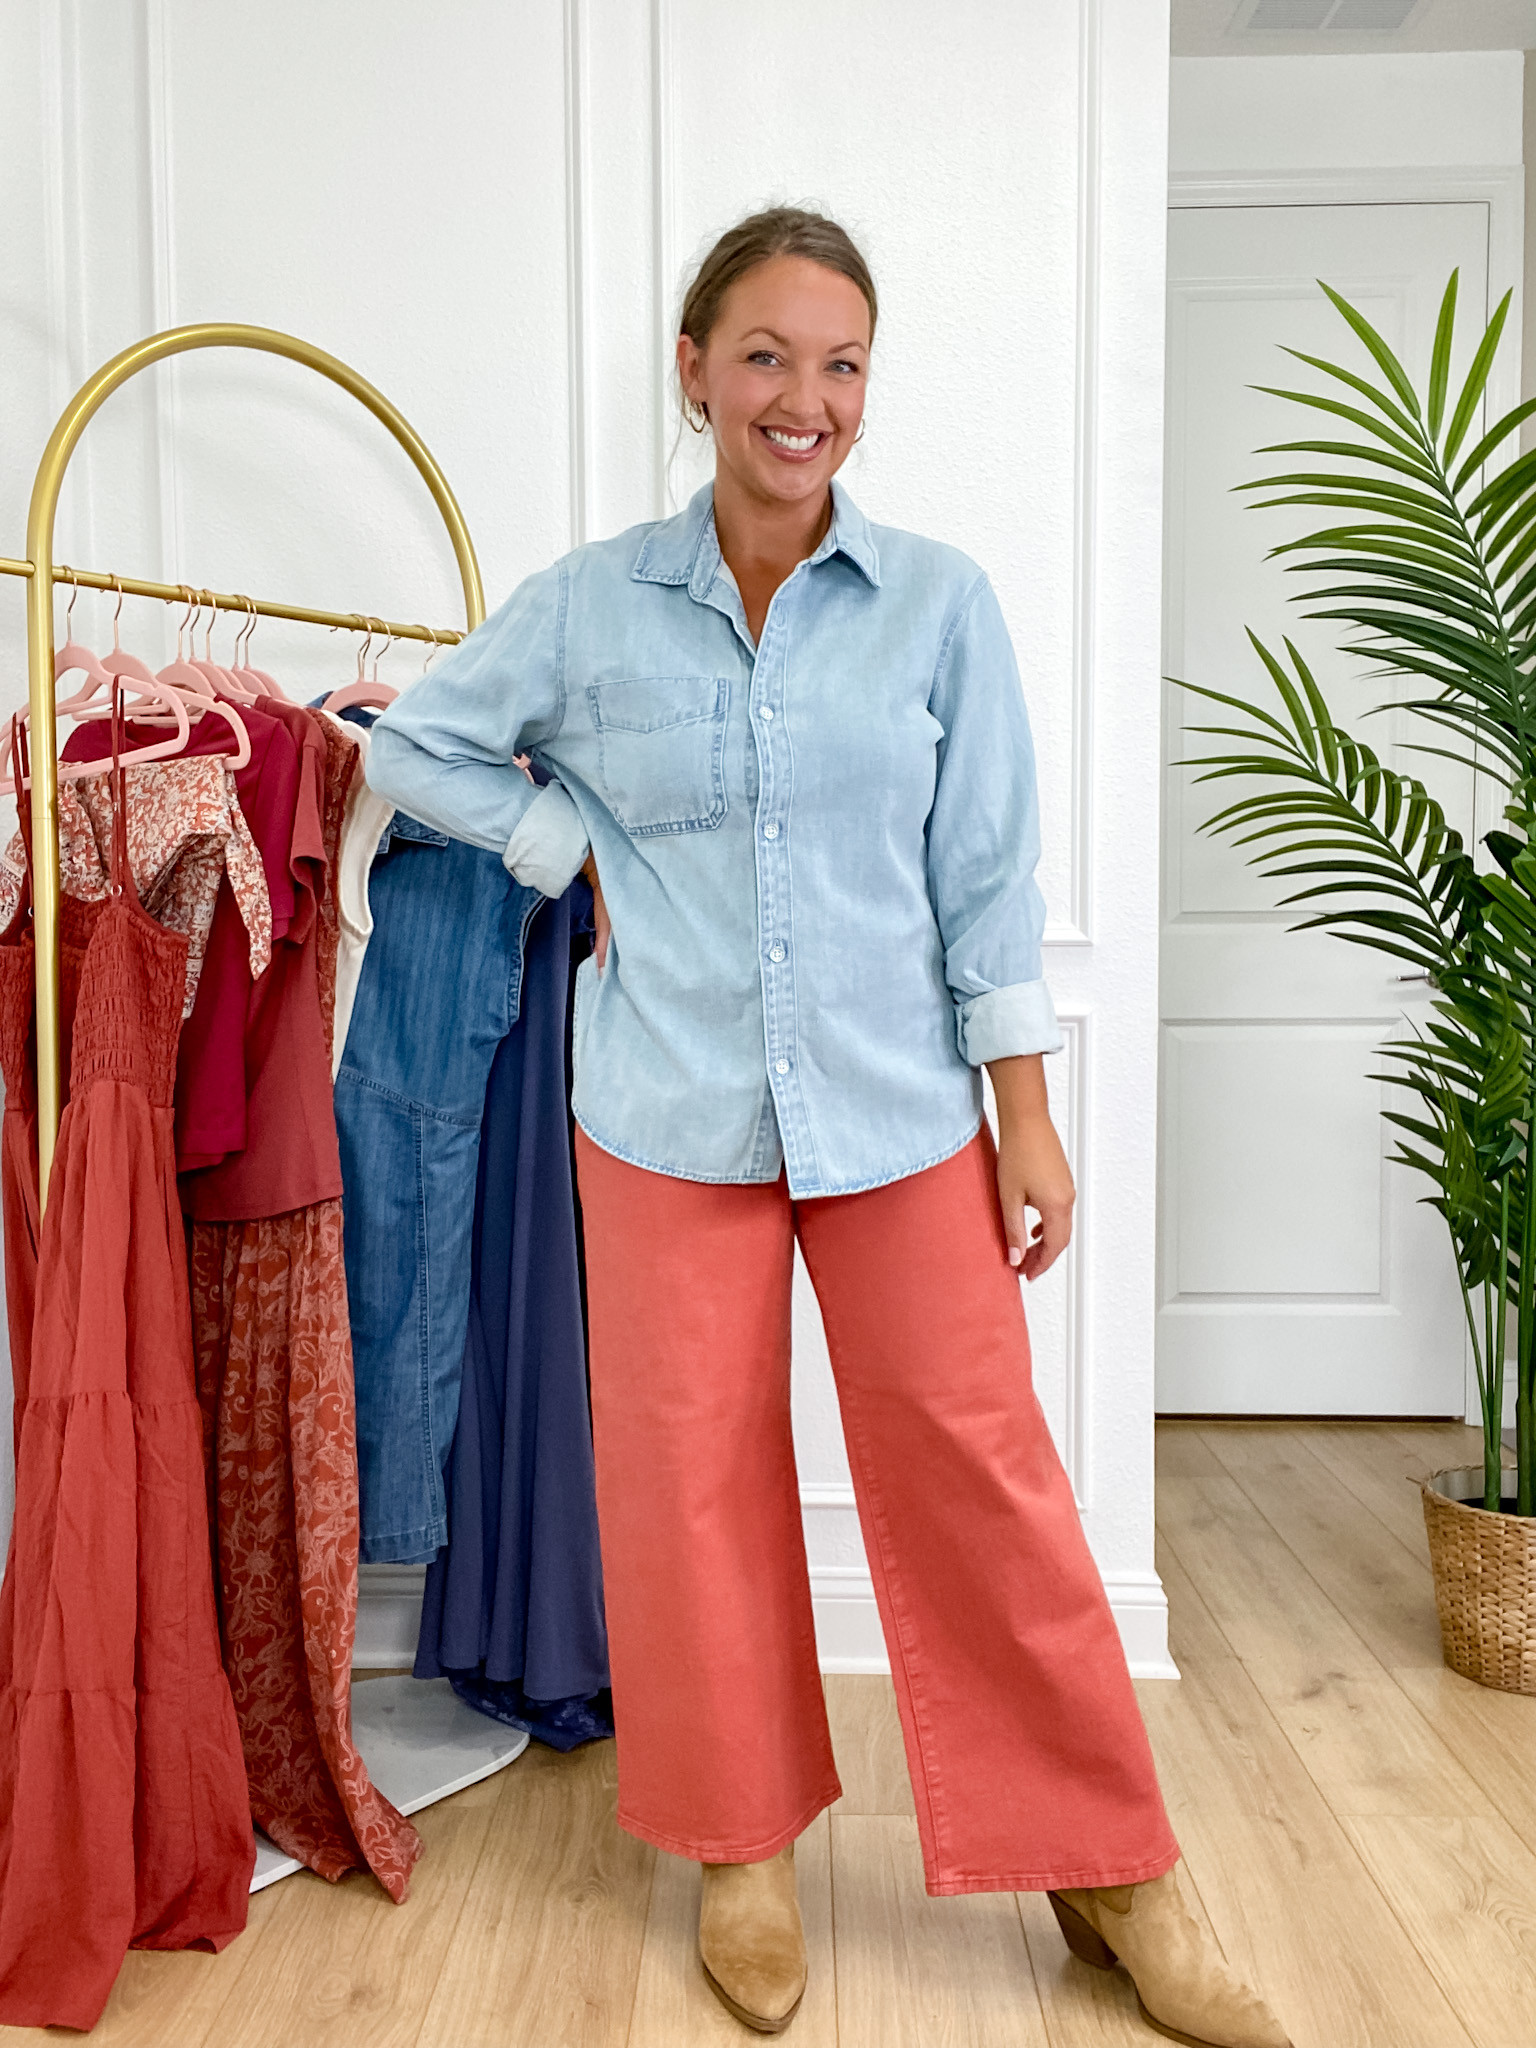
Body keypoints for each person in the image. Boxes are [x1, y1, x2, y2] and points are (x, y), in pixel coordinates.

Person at [367, 207, 1290, 2048]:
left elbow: (988, 883)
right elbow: (413, 746)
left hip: (898, 1119)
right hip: (663, 1113)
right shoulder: (585, 602)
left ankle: (1113, 1865)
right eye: (769, 356)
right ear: (695, 369)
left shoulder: (941, 604)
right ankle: (740, 1849)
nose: (807, 398)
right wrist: (567, 855)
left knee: (987, 1479)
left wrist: (1024, 1122)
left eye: (843, 363)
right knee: (690, 1491)